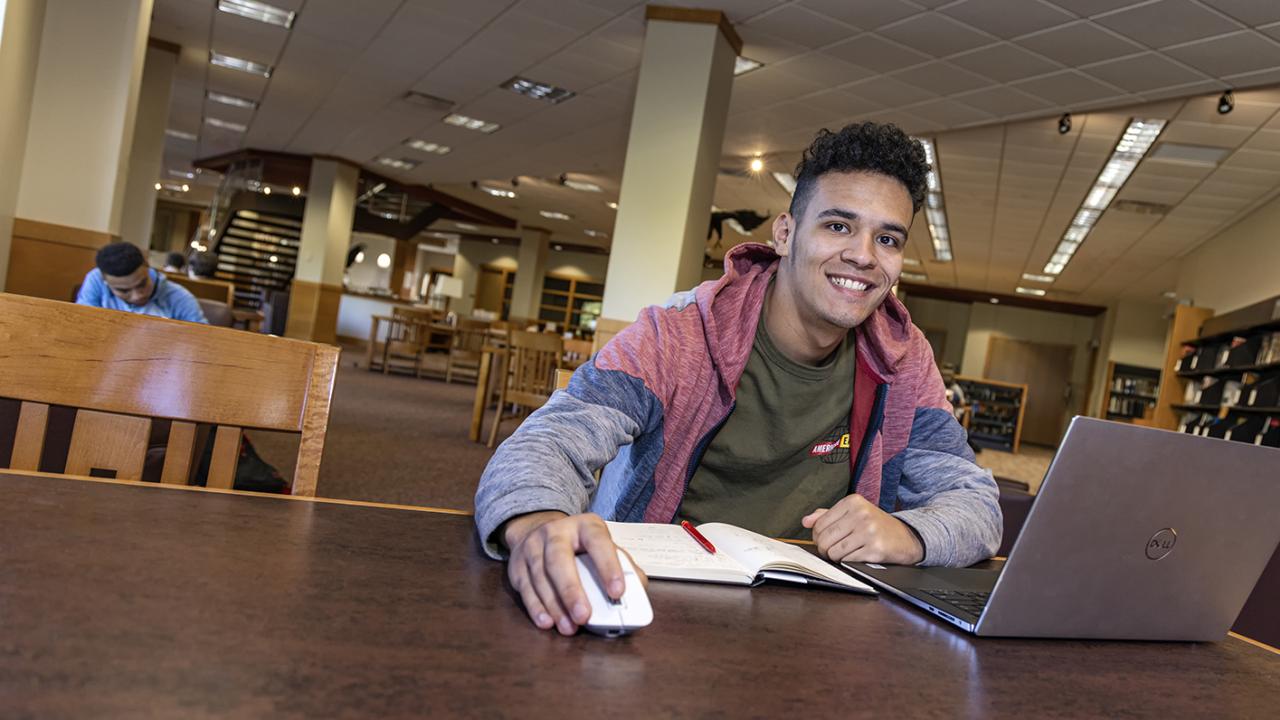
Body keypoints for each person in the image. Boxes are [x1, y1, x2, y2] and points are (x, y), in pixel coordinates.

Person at [474, 122, 1002, 636]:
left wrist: (910, 533)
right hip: (662, 604)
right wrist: (539, 529)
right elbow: (549, 439)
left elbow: (975, 502)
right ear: (785, 233)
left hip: (820, 622)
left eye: (887, 238)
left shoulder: (904, 359)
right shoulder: (679, 332)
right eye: (838, 226)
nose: (862, 255)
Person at [76, 242, 207, 323]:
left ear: (148, 267)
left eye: (142, 284)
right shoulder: (95, 280)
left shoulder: (180, 298)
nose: (137, 295)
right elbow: (82, 324)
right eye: (123, 291)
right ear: (105, 281)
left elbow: (203, 342)